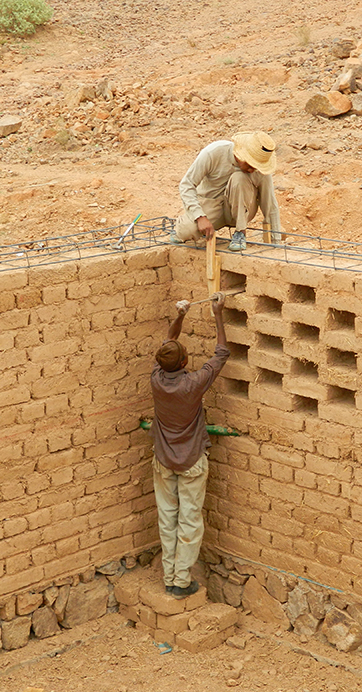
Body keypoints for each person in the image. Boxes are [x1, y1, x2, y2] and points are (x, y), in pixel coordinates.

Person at [149, 293, 230, 597]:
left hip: (163, 461)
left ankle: (170, 576)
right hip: (192, 461)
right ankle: (181, 582)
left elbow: (169, 342)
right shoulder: (192, 384)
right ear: (184, 362)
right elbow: (222, 352)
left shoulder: (157, 378)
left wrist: (180, 315)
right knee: (189, 521)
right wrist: (218, 313)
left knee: (167, 519)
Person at [173, 130, 284, 252]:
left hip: (241, 212)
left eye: (255, 167)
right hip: (212, 206)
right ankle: (187, 225)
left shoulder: (259, 169)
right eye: (250, 165)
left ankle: (240, 233)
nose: (252, 170)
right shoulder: (214, 152)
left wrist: (276, 242)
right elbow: (187, 184)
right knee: (185, 232)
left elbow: (270, 205)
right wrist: (200, 217)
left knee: (240, 178)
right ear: (241, 155)